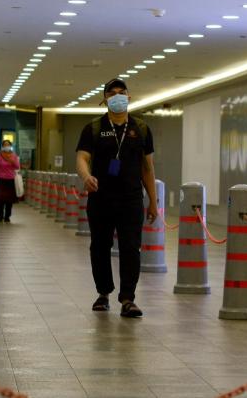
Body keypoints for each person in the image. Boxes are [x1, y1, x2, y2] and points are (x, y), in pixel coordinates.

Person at [75, 78, 158, 318]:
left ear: (129, 97)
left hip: (131, 199)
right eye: (112, 93)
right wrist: (86, 176)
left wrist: (153, 202)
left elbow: (147, 169)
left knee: (131, 247)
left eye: (122, 92)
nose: (118, 96)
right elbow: (82, 158)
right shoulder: (93, 128)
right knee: (100, 246)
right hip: (101, 198)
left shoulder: (141, 129)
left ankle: (128, 298)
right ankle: (103, 293)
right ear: (105, 99)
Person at [0, 140, 20, 223]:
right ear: (2, 146)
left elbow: (17, 166)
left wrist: (12, 160)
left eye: (8, 145)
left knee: (9, 200)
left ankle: (7, 216)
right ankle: (0, 216)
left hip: (10, 180)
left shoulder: (14, 155)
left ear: (10, 146)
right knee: (0, 200)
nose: (6, 146)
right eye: (5, 145)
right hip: (0, 180)